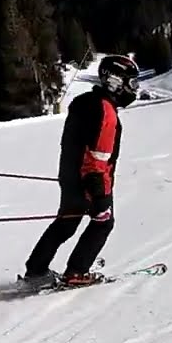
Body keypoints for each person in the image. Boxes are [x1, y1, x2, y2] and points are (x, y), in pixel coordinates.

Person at [22, 53, 141, 287]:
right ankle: (76, 272)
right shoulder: (106, 112)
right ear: (116, 81)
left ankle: (35, 270)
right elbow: (97, 157)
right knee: (103, 223)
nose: (134, 90)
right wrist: (99, 194)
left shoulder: (85, 102)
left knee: (66, 223)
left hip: (70, 176)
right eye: (132, 83)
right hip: (92, 182)